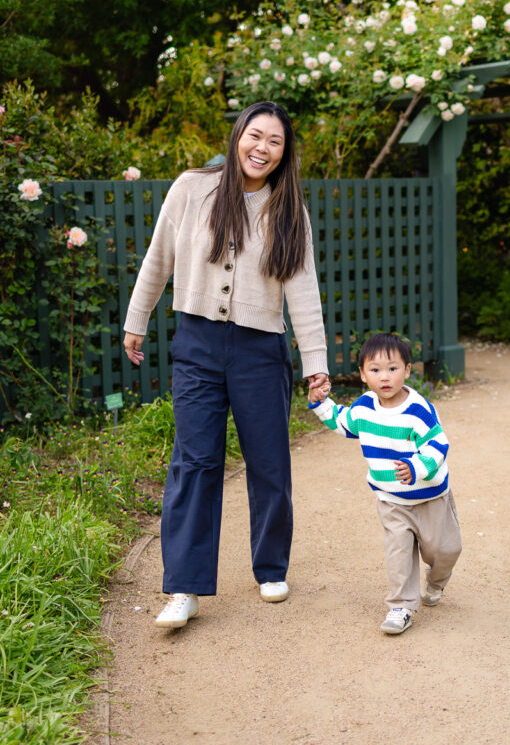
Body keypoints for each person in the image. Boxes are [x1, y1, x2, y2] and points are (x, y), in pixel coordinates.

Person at [123, 101, 329, 629]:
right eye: (255, 136)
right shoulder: (193, 189)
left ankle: (270, 568)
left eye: (275, 142)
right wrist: (136, 320)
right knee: (194, 462)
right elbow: (158, 256)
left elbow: (303, 290)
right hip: (197, 343)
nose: (262, 148)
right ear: (239, 136)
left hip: (261, 350)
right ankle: (184, 587)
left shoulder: (290, 210)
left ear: (285, 154)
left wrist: (316, 364)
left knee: (269, 462)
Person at [308, 332, 462, 635]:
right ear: (363, 375)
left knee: (444, 549)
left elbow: (437, 445)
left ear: (407, 370)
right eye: (375, 370)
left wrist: (416, 467)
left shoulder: (418, 409)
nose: (385, 377)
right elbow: (343, 422)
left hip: (430, 496)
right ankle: (400, 606)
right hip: (392, 499)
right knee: (398, 553)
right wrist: (320, 403)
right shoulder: (364, 408)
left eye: (393, 368)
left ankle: (436, 580)